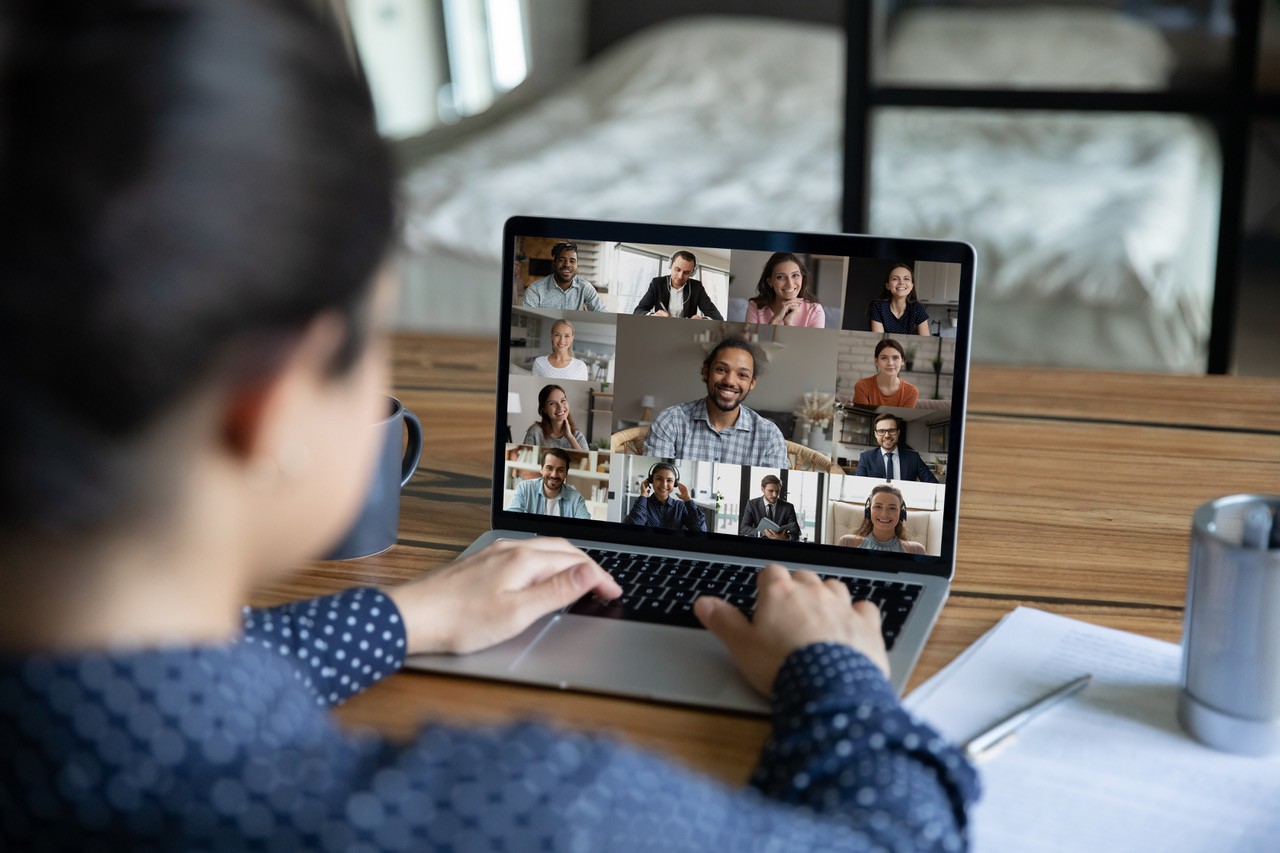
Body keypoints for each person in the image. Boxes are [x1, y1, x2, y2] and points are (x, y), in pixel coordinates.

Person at [0, 2, 977, 848]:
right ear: (271, 403)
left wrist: (405, 613)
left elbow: (150, 677)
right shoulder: (535, 815)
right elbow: (898, 836)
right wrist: (837, 677)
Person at [645, 336, 789, 467]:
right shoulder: (670, 421)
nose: (730, 381)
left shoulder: (770, 436)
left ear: (752, 383)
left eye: (742, 375)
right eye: (721, 370)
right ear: (706, 371)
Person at [632, 250, 723, 320]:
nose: (680, 276)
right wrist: (653, 315)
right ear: (670, 265)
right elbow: (638, 311)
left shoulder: (697, 287)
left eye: (686, 272)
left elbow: (717, 317)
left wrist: (703, 320)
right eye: (677, 269)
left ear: (692, 273)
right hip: (660, 330)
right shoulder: (657, 283)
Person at [837, 485, 927, 554]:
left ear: (901, 513)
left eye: (892, 508)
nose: (884, 514)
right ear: (868, 511)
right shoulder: (847, 543)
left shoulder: (916, 550)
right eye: (878, 507)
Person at [745, 252, 825, 328]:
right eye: (781, 277)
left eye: (795, 275)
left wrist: (788, 322)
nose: (790, 284)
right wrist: (775, 319)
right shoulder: (755, 306)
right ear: (770, 282)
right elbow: (749, 342)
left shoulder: (815, 310)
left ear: (802, 278)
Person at [854, 413, 939, 483]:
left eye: (892, 430)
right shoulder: (866, 457)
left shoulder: (914, 457)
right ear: (875, 434)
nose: (887, 435)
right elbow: (858, 486)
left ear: (898, 432)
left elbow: (934, 485)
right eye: (881, 431)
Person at [507, 448, 591, 518]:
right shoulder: (525, 488)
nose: (554, 475)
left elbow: (586, 529)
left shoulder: (577, 499)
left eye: (560, 470)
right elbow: (512, 520)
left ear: (566, 473)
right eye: (549, 468)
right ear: (541, 469)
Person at [522, 242, 606, 311]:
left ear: (577, 265)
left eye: (572, 261)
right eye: (562, 260)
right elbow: (525, 319)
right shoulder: (535, 290)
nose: (567, 265)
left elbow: (602, 312)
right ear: (554, 264)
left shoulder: (585, 287)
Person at [623, 462, 706, 532]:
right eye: (659, 479)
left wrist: (688, 500)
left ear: (675, 484)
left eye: (669, 480)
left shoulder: (680, 506)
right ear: (651, 480)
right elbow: (633, 530)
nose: (664, 484)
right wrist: (643, 496)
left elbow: (700, 530)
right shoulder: (642, 503)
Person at [853, 338, 920, 408]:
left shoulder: (911, 392)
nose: (890, 363)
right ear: (876, 361)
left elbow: (905, 418)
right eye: (884, 358)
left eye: (895, 358)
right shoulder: (862, 386)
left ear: (902, 361)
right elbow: (863, 417)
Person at [868, 263, 931, 335]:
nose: (901, 282)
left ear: (912, 286)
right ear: (888, 285)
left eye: (906, 278)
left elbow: (925, 339)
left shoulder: (917, 308)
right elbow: (879, 341)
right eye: (895, 279)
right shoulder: (878, 306)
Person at [522, 384, 588, 449]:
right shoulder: (535, 432)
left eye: (563, 400)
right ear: (544, 409)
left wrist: (570, 437)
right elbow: (523, 458)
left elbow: (588, 459)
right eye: (552, 403)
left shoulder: (578, 436)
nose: (560, 407)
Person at [739, 475, 801, 540]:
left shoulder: (788, 507)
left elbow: (796, 532)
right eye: (771, 491)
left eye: (777, 491)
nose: (775, 495)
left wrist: (784, 537)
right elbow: (744, 529)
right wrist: (762, 533)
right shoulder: (752, 504)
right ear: (762, 489)